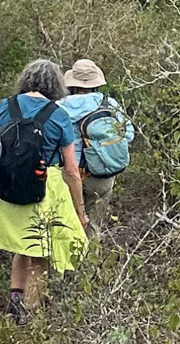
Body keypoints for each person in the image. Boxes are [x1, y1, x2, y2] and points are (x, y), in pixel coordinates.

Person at [0, 58, 89, 318]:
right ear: (57, 85)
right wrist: (80, 211)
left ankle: (15, 300)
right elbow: (71, 169)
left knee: (19, 246)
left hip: (7, 189)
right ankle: (30, 313)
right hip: (43, 191)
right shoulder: (58, 115)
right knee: (40, 254)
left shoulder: (6, 107)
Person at [55, 58, 132, 232]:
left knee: (66, 228)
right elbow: (128, 135)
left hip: (68, 175)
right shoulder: (109, 104)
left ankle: (69, 259)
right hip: (102, 173)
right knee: (93, 228)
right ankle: (92, 258)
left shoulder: (60, 107)